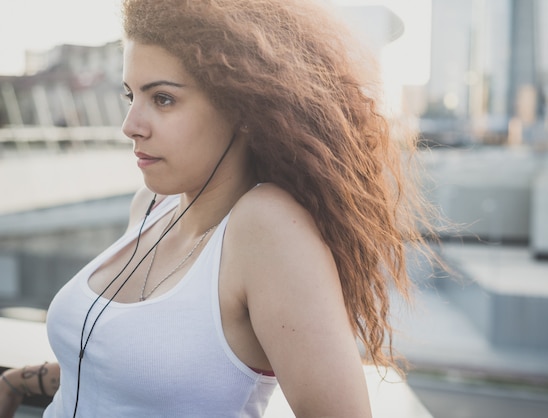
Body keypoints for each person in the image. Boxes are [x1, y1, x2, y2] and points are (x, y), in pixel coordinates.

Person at [0, 0, 439, 416]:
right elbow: (124, 375)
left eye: (163, 99)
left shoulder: (266, 228)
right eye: (130, 95)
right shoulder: (152, 206)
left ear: (244, 109)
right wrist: (20, 382)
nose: (130, 125)